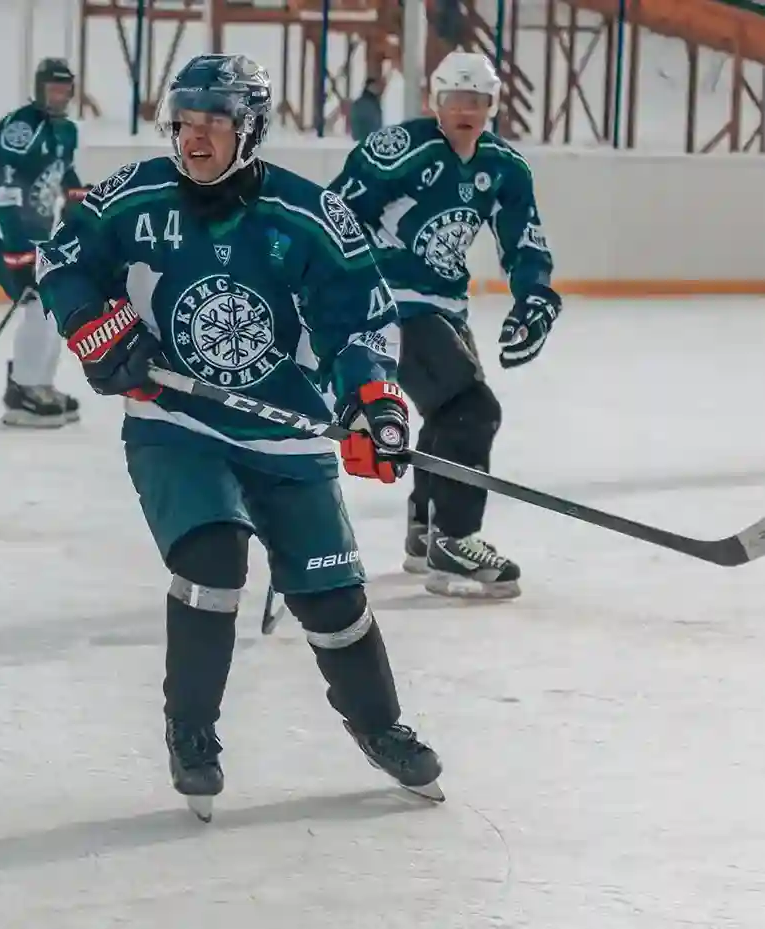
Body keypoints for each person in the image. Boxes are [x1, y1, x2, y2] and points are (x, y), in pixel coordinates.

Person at [34, 53, 443, 818]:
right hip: (175, 421)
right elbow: (63, 259)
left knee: (333, 598)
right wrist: (94, 327)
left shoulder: (308, 216)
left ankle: (381, 726)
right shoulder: (134, 195)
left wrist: (375, 406)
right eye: (184, 123)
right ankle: (191, 731)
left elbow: (361, 320)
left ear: (250, 129)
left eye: (214, 124)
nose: (194, 140)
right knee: (212, 558)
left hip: (286, 438)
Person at [329, 50, 559, 600]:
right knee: (472, 410)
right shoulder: (399, 150)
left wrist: (535, 297)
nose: (466, 109)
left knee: (447, 415)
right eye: (456, 97)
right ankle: (454, 540)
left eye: (477, 99)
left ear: (491, 106)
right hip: (390, 305)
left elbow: (524, 241)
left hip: (444, 308)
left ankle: (425, 529)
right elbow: (334, 214)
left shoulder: (504, 168)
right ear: (436, 101)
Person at [0, 57, 89, 427]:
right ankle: (24, 390)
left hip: (34, 236)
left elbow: (63, 171)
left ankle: (39, 384)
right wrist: (17, 250)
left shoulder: (66, 131)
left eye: (64, 90)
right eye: (52, 89)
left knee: (54, 300)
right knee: (38, 301)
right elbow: (2, 185)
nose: (58, 97)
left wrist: (78, 200)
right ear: (38, 89)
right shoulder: (20, 127)